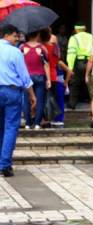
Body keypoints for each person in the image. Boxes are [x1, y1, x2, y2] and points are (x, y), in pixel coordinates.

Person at [0, 25, 36, 177]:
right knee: (10, 127)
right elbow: (24, 76)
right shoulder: (15, 52)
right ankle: (5, 165)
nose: (17, 39)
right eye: (15, 36)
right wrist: (32, 95)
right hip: (11, 91)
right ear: (7, 35)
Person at [40, 28, 73, 128]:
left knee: (46, 99)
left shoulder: (43, 48)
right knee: (54, 100)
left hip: (47, 77)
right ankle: (53, 119)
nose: (54, 42)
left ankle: (45, 120)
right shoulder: (56, 51)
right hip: (54, 78)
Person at [20, 31, 51, 129]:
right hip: (40, 77)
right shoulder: (42, 48)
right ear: (38, 35)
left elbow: (19, 64)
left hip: (26, 77)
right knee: (40, 100)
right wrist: (49, 80)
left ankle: (28, 123)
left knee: (26, 100)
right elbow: (46, 65)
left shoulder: (22, 48)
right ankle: (37, 123)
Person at [67, 22, 93, 110]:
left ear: (76, 29)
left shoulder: (74, 38)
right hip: (91, 62)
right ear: (84, 29)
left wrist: (70, 67)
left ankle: (72, 104)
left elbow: (71, 53)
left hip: (78, 63)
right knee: (91, 85)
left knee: (74, 84)